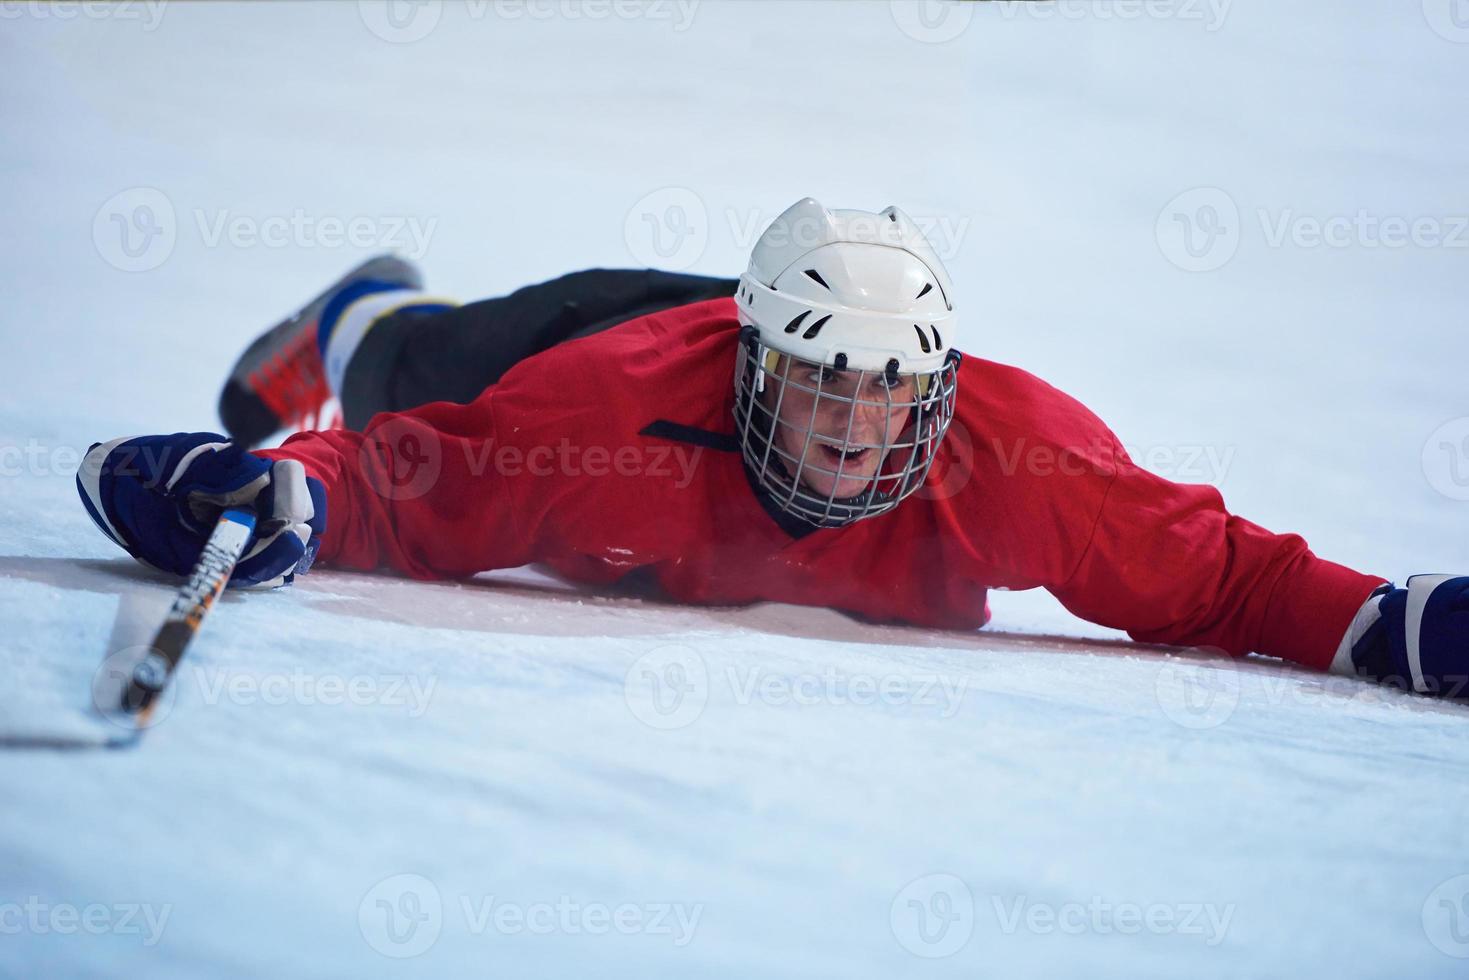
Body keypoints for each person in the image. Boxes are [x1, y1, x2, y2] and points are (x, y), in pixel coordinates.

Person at [76, 198, 1469, 698]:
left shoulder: (1023, 455)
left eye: (889, 391)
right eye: (820, 385)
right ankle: (358, 302)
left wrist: (1383, 628)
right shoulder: (602, 408)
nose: (857, 424)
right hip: (601, 335)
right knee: (406, 374)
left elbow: (1219, 579)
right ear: (756, 367)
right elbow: (388, 493)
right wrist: (274, 497)